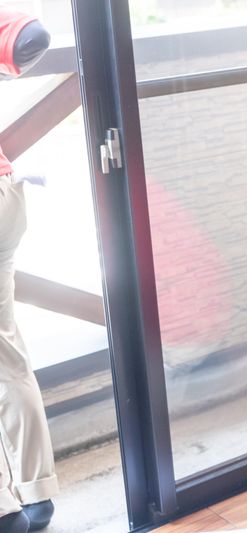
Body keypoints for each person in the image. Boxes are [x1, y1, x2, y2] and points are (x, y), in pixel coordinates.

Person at [0, 6, 58, 532]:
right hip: (5, 196)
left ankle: (7, 507)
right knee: (7, 357)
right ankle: (35, 494)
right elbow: (29, 36)